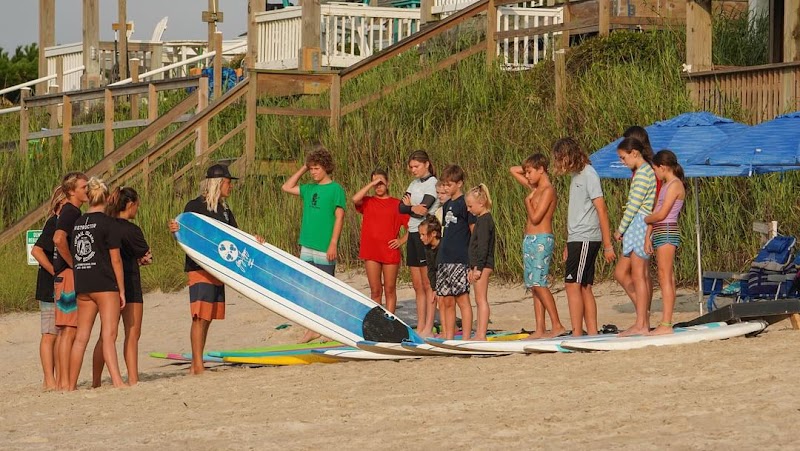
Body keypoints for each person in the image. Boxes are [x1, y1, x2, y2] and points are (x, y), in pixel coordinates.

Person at [169, 164, 242, 375]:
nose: (231, 187)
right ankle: (198, 364)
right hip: (199, 267)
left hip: (217, 270)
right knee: (199, 316)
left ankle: (196, 363)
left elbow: (235, 237)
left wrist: (253, 240)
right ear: (218, 183)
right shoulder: (195, 206)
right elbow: (184, 233)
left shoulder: (225, 210)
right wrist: (175, 230)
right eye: (228, 182)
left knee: (208, 316)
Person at [281, 145, 346, 343]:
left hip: (324, 245)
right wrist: (303, 167)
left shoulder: (336, 189)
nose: (313, 172)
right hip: (307, 244)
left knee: (326, 287)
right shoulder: (309, 188)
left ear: (326, 167)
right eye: (311, 168)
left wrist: (333, 243)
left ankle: (328, 328)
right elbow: (286, 187)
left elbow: (339, 217)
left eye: (316, 168)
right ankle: (312, 328)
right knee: (308, 288)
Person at [67, 177, 126, 390]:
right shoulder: (109, 223)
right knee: (108, 335)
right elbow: (115, 260)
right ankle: (118, 381)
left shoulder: (78, 222)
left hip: (83, 282)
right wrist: (121, 290)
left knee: (81, 337)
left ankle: (71, 384)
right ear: (108, 198)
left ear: (89, 197)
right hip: (104, 282)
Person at [552, 138, 615, 337]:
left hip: (586, 237)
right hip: (577, 238)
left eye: (561, 158)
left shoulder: (589, 174)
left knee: (572, 285)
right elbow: (577, 211)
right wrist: (568, 243)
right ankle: (593, 332)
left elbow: (601, 209)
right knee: (585, 286)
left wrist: (607, 244)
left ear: (569, 156)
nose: (559, 163)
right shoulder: (576, 175)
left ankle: (578, 333)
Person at [92, 187, 152, 387]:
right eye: (136, 205)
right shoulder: (132, 230)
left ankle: (96, 380)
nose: (137, 208)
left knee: (106, 335)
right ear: (129, 205)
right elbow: (146, 255)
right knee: (132, 333)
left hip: (107, 283)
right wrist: (145, 257)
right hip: (130, 283)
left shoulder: (106, 224)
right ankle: (133, 378)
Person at [510, 155, 566, 338]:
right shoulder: (535, 187)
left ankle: (557, 325)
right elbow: (512, 169)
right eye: (526, 172)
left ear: (541, 169)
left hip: (542, 239)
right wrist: (529, 168)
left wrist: (528, 201)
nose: (527, 175)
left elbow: (536, 218)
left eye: (530, 172)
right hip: (530, 239)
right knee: (533, 285)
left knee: (540, 283)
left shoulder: (547, 190)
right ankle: (540, 328)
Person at [613, 126, 659, 324]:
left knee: (640, 274)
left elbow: (635, 205)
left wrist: (620, 229)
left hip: (641, 224)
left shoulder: (645, 172)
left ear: (634, 150)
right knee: (625, 273)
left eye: (623, 157)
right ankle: (643, 315)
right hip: (637, 224)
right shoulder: (643, 171)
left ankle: (643, 319)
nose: (622, 162)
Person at [352, 169, 409, 313]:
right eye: (375, 183)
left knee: (390, 289)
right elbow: (354, 199)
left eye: (381, 183)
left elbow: (413, 226)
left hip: (389, 251)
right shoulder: (368, 201)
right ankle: (377, 321)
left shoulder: (397, 204)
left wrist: (401, 240)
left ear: (388, 183)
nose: (378, 186)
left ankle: (390, 320)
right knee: (375, 290)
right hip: (371, 251)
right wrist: (372, 183)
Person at [52, 171, 89, 390]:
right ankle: (64, 382)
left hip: (63, 275)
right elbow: (58, 238)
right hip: (67, 275)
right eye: (83, 187)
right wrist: (73, 263)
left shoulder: (72, 211)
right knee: (69, 330)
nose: (87, 190)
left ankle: (61, 382)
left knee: (66, 330)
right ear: (71, 191)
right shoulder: (70, 211)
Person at [398, 150, 439, 337]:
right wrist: (410, 208)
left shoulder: (432, 183)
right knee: (417, 285)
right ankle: (420, 325)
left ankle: (428, 326)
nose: (413, 170)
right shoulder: (413, 184)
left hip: (425, 233)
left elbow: (423, 210)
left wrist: (411, 207)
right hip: (412, 232)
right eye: (411, 167)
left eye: (417, 166)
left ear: (427, 164)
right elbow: (401, 207)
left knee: (427, 282)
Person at [644, 150, 685, 335]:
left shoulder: (675, 185)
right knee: (665, 276)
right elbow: (657, 210)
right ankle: (665, 322)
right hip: (660, 232)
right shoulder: (667, 185)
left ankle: (666, 324)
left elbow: (661, 214)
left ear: (663, 167)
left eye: (655, 169)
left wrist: (644, 219)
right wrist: (648, 235)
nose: (654, 173)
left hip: (667, 232)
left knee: (665, 276)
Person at [30, 186, 67, 390]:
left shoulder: (62, 223)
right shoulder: (54, 223)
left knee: (59, 332)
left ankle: (56, 379)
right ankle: (49, 380)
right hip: (49, 285)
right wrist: (55, 271)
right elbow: (37, 251)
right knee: (49, 334)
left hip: (58, 284)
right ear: (61, 203)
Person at [436, 164, 475, 340]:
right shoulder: (447, 205)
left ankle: (466, 338)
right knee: (446, 300)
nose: (445, 188)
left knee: (462, 300)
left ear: (459, 184)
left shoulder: (464, 204)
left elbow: (473, 231)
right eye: (444, 185)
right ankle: (449, 337)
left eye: (449, 185)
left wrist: (472, 262)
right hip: (444, 258)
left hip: (460, 259)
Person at [465, 184, 495, 341]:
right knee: (478, 299)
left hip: (483, 265)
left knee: (481, 299)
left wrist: (478, 268)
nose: (469, 210)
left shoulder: (484, 221)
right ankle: (479, 333)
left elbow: (483, 246)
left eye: (470, 206)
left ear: (481, 203)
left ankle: (481, 334)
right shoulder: (481, 219)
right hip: (478, 265)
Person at [418, 216, 443, 333]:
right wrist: (434, 288)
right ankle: (449, 329)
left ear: (433, 233)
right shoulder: (427, 248)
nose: (421, 237)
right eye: (420, 234)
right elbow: (431, 270)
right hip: (438, 278)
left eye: (423, 234)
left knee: (445, 300)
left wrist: (440, 288)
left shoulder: (443, 246)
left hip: (450, 275)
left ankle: (449, 330)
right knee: (439, 297)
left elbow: (444, 269)